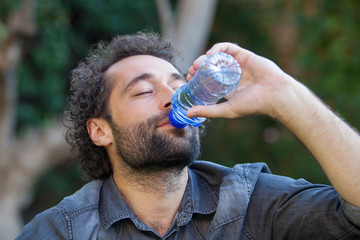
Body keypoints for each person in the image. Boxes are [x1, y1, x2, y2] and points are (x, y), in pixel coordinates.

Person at [16, 32, 360, 239]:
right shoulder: (62, 230)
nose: (172, 97)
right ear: (100, 130)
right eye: (143, 92)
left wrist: (284, 95)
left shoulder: (250, 202)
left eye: (179, 85)